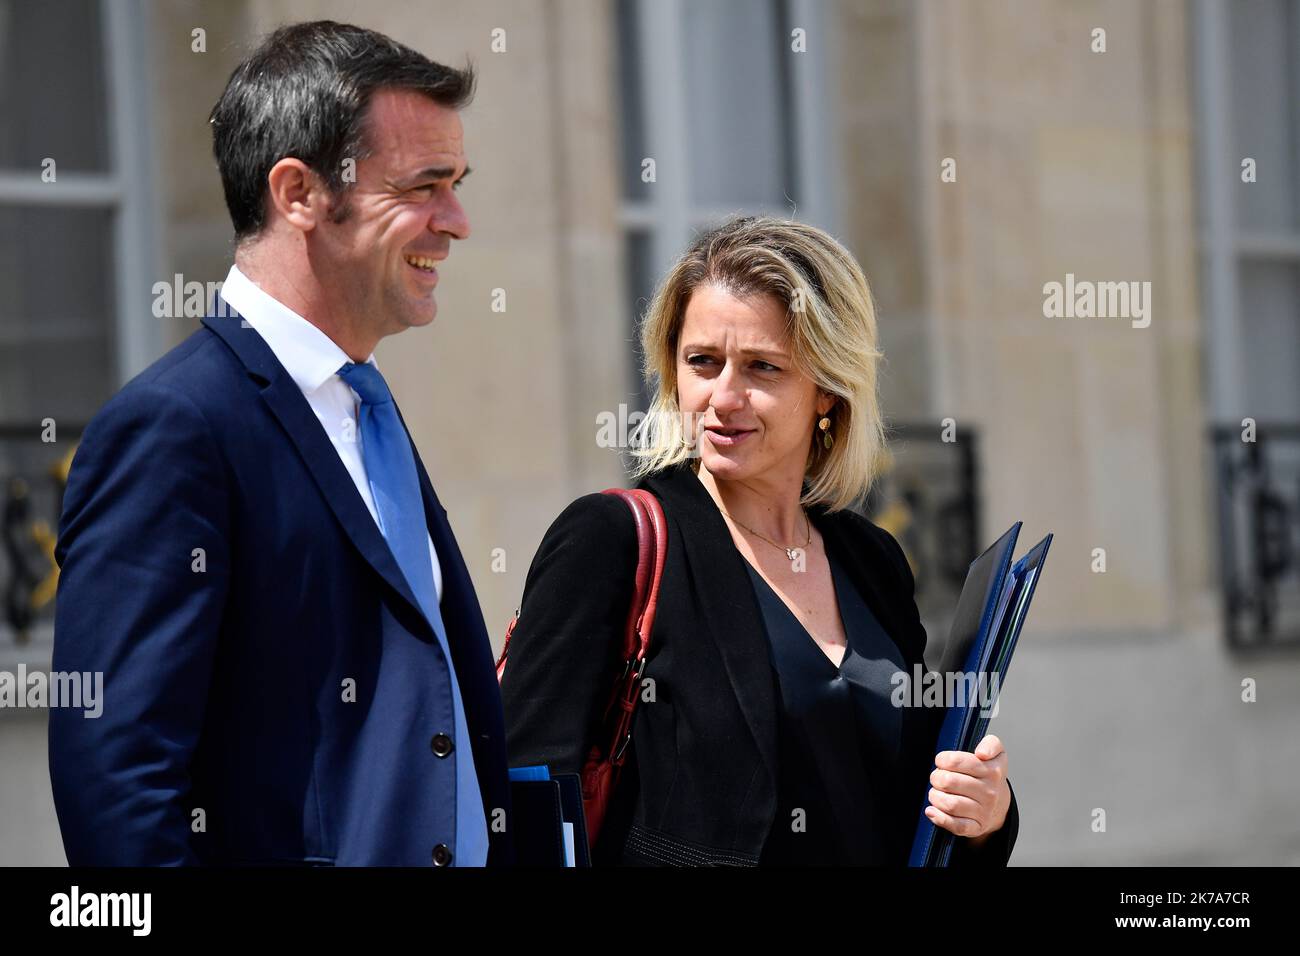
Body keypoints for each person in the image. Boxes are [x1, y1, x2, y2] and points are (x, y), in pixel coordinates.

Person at [48, 20, 511, 867]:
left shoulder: (364, 407)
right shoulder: (173, 428)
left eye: (458, 183)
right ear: (299, 193)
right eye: (426, 185)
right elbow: (116, 789)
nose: (458, 222)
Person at [500, 215, 1018, 865]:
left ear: (827, 389)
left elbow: (910, 792)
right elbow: (520, 803)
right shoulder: (610, 541)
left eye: (762, 368)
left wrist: (984, 815)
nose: (723, 397)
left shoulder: (871, 558)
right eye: (702, 362)